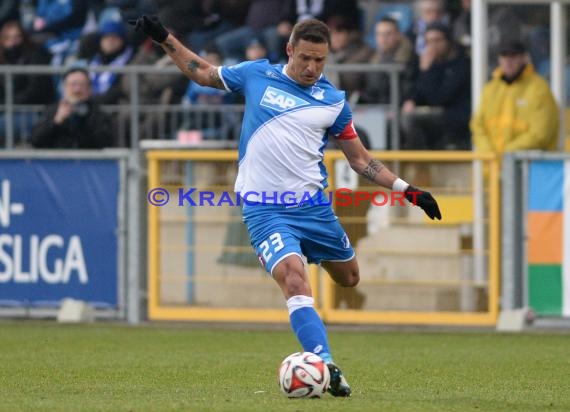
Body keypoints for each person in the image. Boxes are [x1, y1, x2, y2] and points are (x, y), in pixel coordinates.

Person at [131, 15, 442, 397]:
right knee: (295, 279)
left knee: (349, 278)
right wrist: (165, 37)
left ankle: (313, 299)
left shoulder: (333, 102)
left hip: (313, 208)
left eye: (320, 61)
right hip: (265, 209)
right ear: (290, 50)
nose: (312, 68)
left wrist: (408, 190)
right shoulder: (256, 75)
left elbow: (361, 161)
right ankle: (323, 363)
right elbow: (204, 73)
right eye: (306, 58)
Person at [471, 40, 559, 154]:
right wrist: (489, 152)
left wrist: (505, 154)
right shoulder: (490, 88)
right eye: (504, 56)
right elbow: (477, 125)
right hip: (492, 167)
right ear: (499, 59)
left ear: (524, 58)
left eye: (513, 56)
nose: (508, 61)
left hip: (526, 166)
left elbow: (541, 133)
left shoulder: (539, 88)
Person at [401, 22, 471, 150]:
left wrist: (426, 72)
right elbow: (417, 89)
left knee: (413, 120)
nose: (433, 45)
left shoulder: (462, 64)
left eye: (437, 40)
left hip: (456, 114)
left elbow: (439, 97)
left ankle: (420, 162)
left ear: (448, 40)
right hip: (436, 111)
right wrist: (412, 100)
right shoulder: (427, 62)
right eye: (428, 41)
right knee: (403, 115)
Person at [31, 67, 114, 148]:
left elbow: (105, 142)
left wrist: (84, 120)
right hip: (59, 160)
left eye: (82, 85)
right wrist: (57, 121)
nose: (77, 89)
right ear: (64, 87)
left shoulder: (98, 113)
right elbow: (36, 140)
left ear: (89, 89)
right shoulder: (52, 110)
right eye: (73, 84)